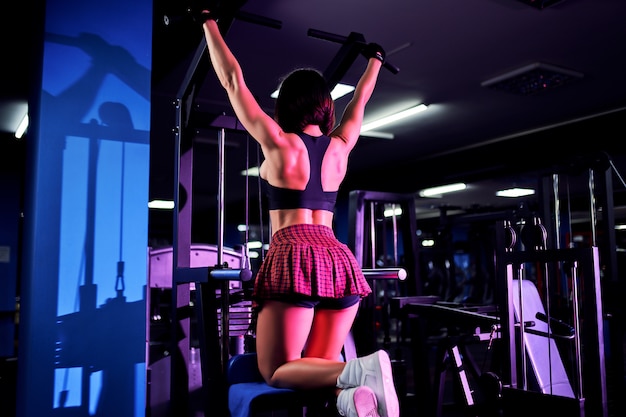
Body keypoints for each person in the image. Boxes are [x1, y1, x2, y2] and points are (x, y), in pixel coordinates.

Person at [199, 9, 399, 417]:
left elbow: (232, 80)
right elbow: (360, 100)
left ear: (286, 106)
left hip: (293, 255)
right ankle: (354, 391)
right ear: (326, 108)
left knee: (275, 371)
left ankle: (362, 370)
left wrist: (208, 21)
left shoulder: (278, 142)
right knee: (317, 375)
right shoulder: (340, 147)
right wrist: (374, 61)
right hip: (338, 258)